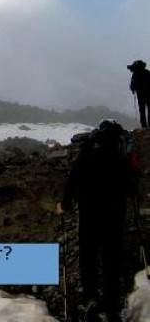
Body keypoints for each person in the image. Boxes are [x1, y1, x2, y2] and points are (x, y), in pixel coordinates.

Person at [56, 119, 137, 322]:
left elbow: (75, 176)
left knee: (88, 255)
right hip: (114, 212)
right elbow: (131, 185)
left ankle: (90, 300)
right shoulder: (121, 150)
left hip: (89, 210)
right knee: (112, 259)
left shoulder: (90, 147)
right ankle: (112, 308)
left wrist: (64, 203)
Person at [127, 59, 150, 128]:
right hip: (148, 94)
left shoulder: (135, 74)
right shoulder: (147, 73)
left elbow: (132, 86)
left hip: (140, 95)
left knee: (142, 111)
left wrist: (133, 89)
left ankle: (144, 127)